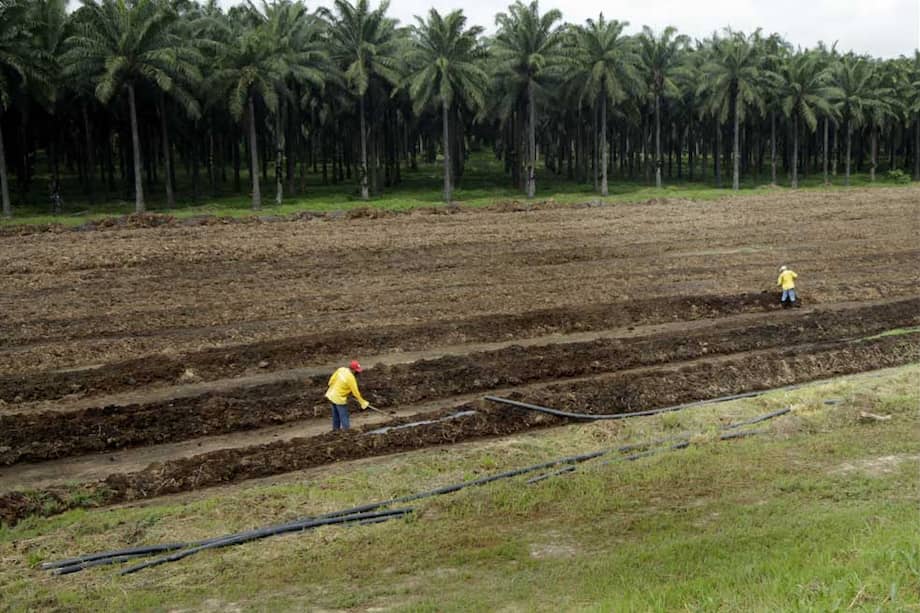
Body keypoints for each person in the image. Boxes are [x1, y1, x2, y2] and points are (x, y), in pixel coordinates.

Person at [324, 360, 370, 431]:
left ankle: (335, 430)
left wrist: (341, 390)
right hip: (339, 398)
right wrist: (362, 402)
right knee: (344, 416)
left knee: (336, 415)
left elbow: (330, 381)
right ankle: (347, 432)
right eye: (357, 371)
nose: (357, 372)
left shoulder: (341, 369)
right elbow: (356, 393)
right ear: (354, 370)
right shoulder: (351, 378)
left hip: (331, 394)